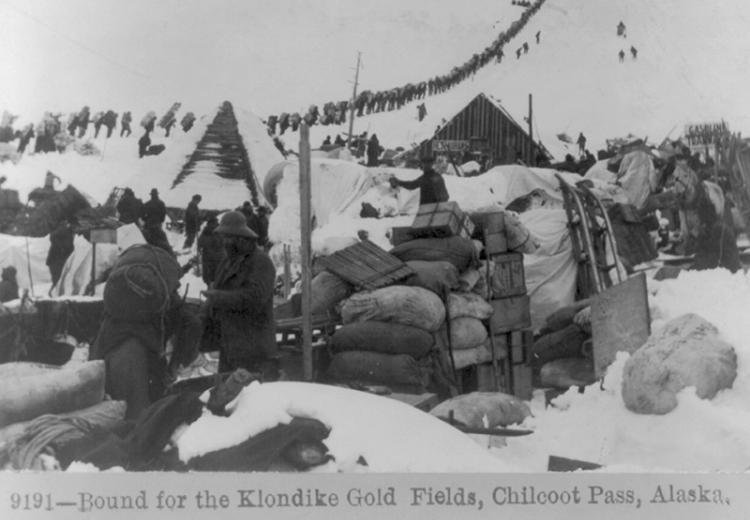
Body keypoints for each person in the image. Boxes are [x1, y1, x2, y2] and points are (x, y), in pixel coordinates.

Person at [200, 211, 278, 377]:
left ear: (242, 238)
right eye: (223, 237)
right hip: (230, 345)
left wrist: (218, 297)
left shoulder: (261, 261)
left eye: (228, 237)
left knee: (249, 397)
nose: (224, 242)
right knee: (227, 394)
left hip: (253, 346)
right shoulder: (227, 261)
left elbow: (255, 297)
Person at [141, 188, 171, 253]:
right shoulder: (161, 203)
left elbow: (142, 214)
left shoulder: (147, 203)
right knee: (159, 237)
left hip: (148, 224)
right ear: (157, 194)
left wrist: (146, 219)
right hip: (157, 223)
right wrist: (160, 220)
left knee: (147, 238)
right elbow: (163, 214)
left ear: (151, 195)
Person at [46, 220, 75, 287]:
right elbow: (53, 236)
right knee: (58, 280)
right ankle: (55, 294)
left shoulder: (67, 232)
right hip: (56, 260)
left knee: (59, 280)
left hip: (57, 260)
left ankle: (55, 293)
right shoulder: (64, 231)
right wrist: (62, 248)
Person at [197, 215, 223, 285]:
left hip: (209, 259)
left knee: (209, 280)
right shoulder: (220, 231)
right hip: (217, 259)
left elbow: (200, 244)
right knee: (217, 279)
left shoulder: (206, 231)